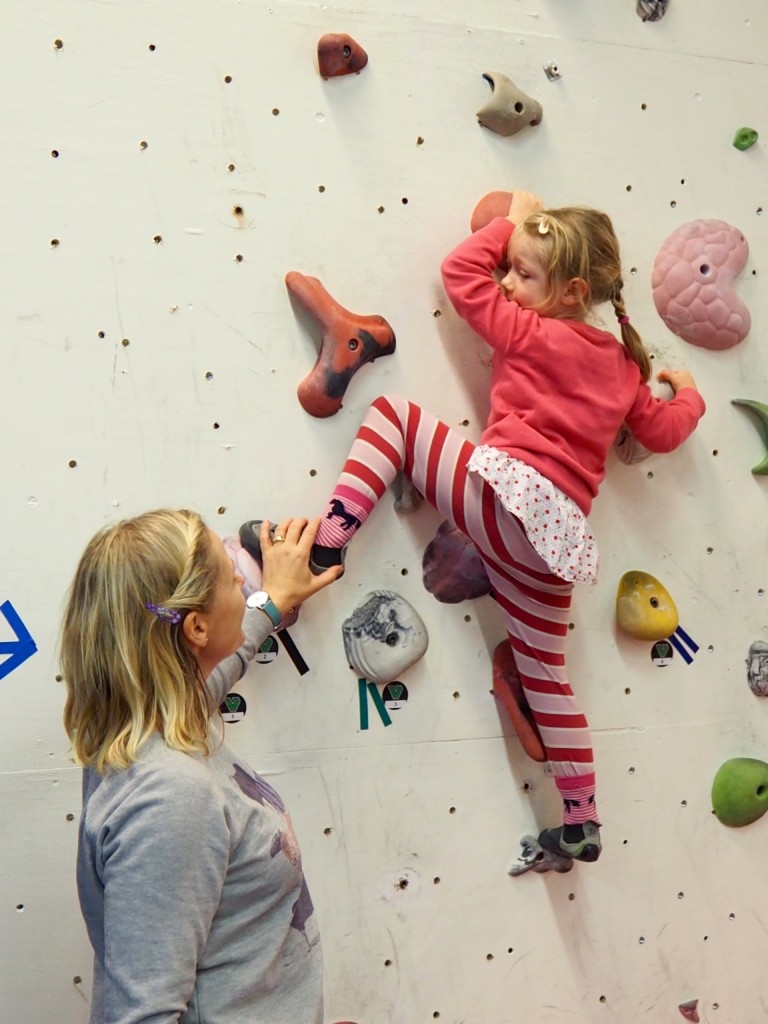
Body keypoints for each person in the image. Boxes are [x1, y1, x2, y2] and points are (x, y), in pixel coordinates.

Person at [277, 192, 706, 865]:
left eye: (523, 274)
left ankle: (329, 542)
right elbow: (665, 429)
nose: (507, 282)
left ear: (569, 293)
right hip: (553, 548)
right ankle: (583, 818)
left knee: (393, 415)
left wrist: (514, 220)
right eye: (510, 268)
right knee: (548, 680)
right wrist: (690, 395)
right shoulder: (626, 370)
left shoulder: (530, 329)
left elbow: (459, 274)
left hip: (502, 505)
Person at [60, 510, 341, 1024]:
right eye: (229, 571)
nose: (241, 572)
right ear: (195, 627)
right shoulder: (171, 796)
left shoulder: (146, 727)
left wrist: (271, 604)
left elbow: (215, 671)